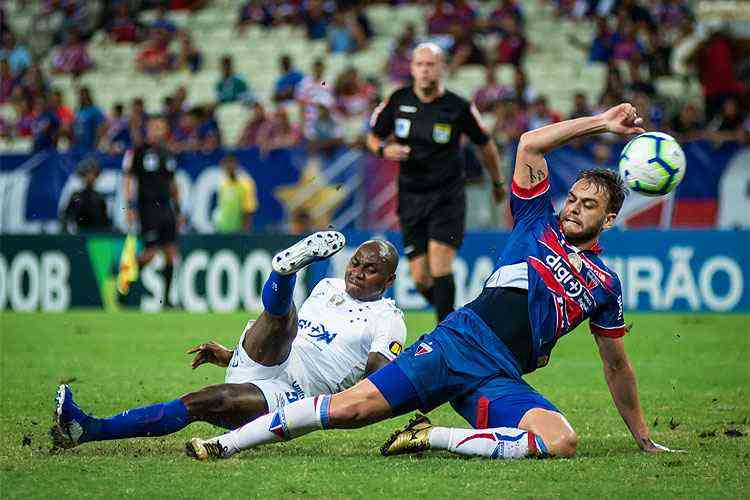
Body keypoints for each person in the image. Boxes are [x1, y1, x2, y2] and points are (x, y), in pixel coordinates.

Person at [187, 103, 679, 461]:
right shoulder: (537, 223)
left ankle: (430, 437)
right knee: (350, 410)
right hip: (456, 344)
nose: (573, 208)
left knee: (561, 441)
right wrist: (602, 123)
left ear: (609, 219)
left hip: (501, 375)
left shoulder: (604, 284)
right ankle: (225, 443)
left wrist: (641, 435)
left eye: (587, 205)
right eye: (572, 198)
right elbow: (530, 144)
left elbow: (617, 365)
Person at [50, 234, 406, 449]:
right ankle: (285, 271)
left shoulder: (388, 319)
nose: (357, 272)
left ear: (387, 280)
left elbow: (381, 383)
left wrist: (333, 409)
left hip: (293, 396)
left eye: (369, 269)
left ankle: (89, 429)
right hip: (265, 358)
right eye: (355, 263)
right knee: (284, 323)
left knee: (200, 403)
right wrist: (229, 355)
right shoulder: (328, 287)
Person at [366, 43, 506, 322]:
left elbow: (485, 143)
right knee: (419, 278)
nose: (425, 70)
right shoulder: (397, 100)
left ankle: (447, 341)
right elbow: (372, 136)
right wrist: (384, 150)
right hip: (411, 196)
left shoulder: (457, 106)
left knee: (440, 261)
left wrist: (497, 182)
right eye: (420, 64)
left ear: (442, 68)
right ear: (412, 68)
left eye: (431, 64)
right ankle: (457, 324)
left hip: (447, 197)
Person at [122, 115, 181, 306]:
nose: (159, 130)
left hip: (166, 207)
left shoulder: (167, 152)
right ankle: (124, 285)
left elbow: (172, 182)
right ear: (148, 129)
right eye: (155, 127)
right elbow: (129, 179)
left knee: (171, 252)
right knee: (150, 253)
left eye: (162, 127)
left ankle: (167, 300)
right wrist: (129, 207)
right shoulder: (139, 151)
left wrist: (178, 209)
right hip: (148, 208)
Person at [61, 159, 110, 232]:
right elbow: (66, 216)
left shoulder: (99, 198)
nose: (90, 177)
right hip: (78, 233)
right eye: (87, 174)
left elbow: (104, 221)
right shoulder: (76, 195)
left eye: (93, 174)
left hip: (95, 234)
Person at [213, 154, 258, 233]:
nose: (229, 168)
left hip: (238, 231)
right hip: (222, 229)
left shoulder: (245, 183)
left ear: (236, 165)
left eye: (231, 165)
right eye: (226, 166)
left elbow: (249, 209)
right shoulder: (223, 184)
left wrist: (244, 231)